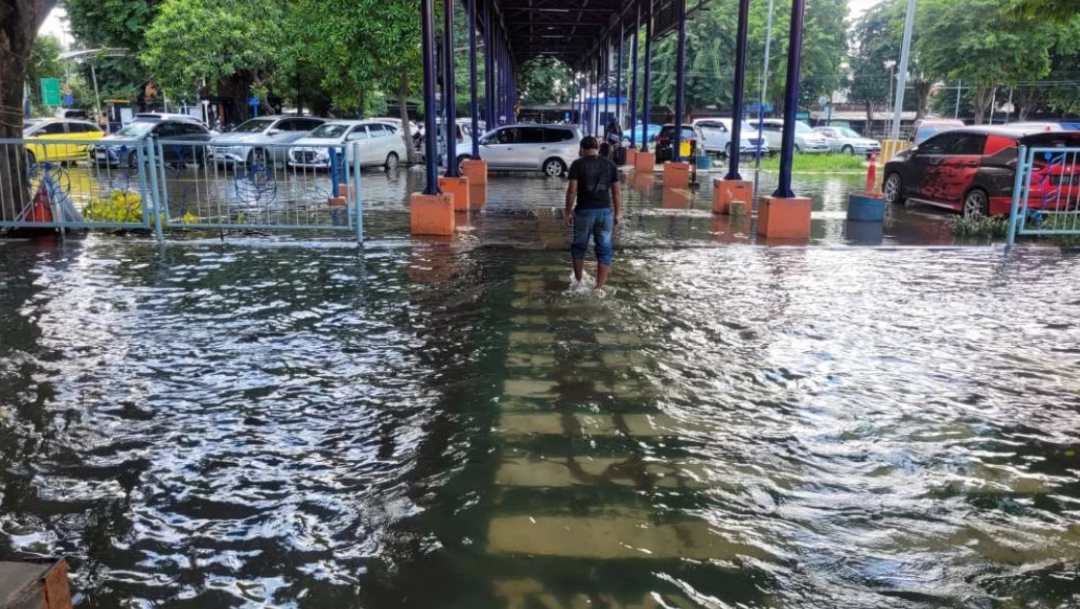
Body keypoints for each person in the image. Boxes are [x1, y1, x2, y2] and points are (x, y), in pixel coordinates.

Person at [565, 136, 621, 290]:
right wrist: (618, 213)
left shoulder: (577, 164)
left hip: (584, 212)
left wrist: (567, 213)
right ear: (596, 147)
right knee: (604, 249)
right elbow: (617, 192)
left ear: (582, 148)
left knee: (579, 248)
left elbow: (572, 191)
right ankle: (599, 287)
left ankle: (578, 283)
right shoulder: (610, 165)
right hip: (605, 213)